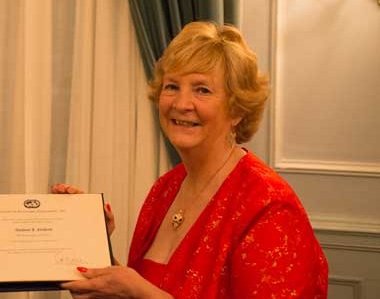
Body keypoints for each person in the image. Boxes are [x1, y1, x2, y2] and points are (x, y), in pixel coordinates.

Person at [53, 21, 328, 298]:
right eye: (172, 86)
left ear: (237, 110)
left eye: (202, 90)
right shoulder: (165, 189)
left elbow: (144, 293)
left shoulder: (269, 206)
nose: (181, 104)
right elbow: (140, 292)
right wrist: (95, 252)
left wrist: (139, 292)